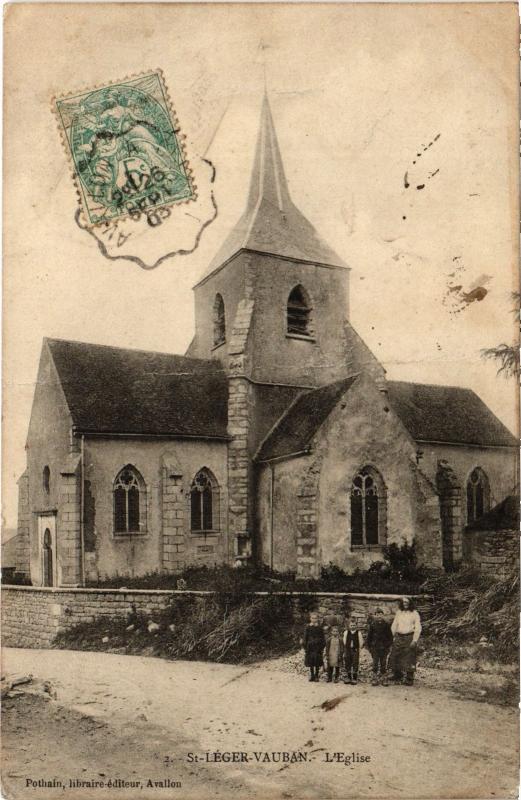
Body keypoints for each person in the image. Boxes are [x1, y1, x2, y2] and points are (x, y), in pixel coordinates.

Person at [390, 596, 422, 685]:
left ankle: (409, 678)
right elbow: (394, 625)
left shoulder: (414, 613)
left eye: (407, 602)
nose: (405, 604)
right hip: (399, 637)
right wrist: (391, 637)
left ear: (410, 603)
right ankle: (397, 674)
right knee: (396, 654)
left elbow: (418, 627)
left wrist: (415, 640)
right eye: (404, 602)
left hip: (409, 637)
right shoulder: (399, 613)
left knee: (409, 657)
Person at [366, 607, 393, 686]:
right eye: (377, 614)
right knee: (375, 663)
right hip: (375, 647)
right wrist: (369, 647)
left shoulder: (387, 625)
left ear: (383, 615)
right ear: (375, 615)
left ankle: (383, 679)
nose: (379, 616)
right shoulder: (372, 625)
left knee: (383, 663)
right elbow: (369, 637)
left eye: (381, 614)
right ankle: (375, 678)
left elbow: (390, 637)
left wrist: (388, 645)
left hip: (384, 648)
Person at [301, 612, 326, 682]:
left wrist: (322, 646)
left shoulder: (319, 628)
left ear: (317, 619)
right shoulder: (308, 627)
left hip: (317, 647)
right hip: (310, 647)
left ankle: (316, 675)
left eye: (315, 618)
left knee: (317, 661)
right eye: (312, 618)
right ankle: (312, 675)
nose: (314, 620)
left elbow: (322, 637)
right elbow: (305, 637)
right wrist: (305, 646)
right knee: (311, 661)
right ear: (310, 619)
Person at [343, 617, 364, 684]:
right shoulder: (346, 632)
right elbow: (344, 640)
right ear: (349, 626)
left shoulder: (358, 633)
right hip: (348, 649)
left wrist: (359, 648)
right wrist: (346, 647)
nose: (352, 626)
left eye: (354, 625)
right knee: (348, 662)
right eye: (351, 625)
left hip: (355, 649)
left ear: (356, 626)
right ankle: (349, 677)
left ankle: (354, 678)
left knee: (355, 662)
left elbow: (361, 642)